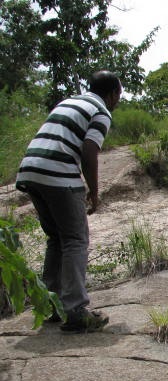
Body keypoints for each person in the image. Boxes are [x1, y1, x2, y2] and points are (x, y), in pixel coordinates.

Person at [15, 70, 122, 333]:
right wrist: (94, 191)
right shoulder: (100, 111)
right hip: (58, 175)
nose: (117, 101)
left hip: (30, 170)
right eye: (118, 96)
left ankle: (51, 306)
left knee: (57, 240)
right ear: (111, 94)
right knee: (75, 239)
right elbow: (89, 151)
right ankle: (75, 311)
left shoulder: (68, 102)